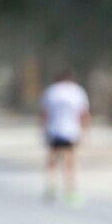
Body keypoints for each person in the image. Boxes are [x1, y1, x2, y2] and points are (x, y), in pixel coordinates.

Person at [39, 70, 90, 205]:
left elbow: (44, 113)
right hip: (71, 131)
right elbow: (83, 114)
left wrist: (43, 129)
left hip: (54, 130)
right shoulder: (77, 91)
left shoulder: (51, 91)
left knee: (52, 160)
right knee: (70, 162)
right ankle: (70, 190)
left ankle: (50, 188)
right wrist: (85, 131)